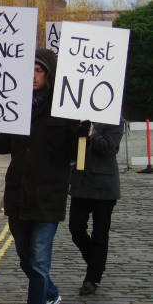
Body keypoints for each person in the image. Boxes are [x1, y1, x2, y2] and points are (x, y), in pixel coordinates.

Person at [0, 48, 78, 304]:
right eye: (29, 69)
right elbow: (3, 146)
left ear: (49, 75)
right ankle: (51, 294)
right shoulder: (15, 103)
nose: (32, 75)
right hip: (18, 195)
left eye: (39, 70)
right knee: (26, 259)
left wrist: (84, 131)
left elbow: (75, 153)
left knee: (39, 260)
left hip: (48, 197)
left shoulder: (64, 110)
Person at [68, 120, 124, 296]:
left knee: (100, 234)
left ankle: (91, 278)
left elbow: (109, 148)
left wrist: (93, 132)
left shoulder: (114, 118)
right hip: (81, 183)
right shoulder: (76, 118)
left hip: (105, 186)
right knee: (76, 229)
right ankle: (96, 263)